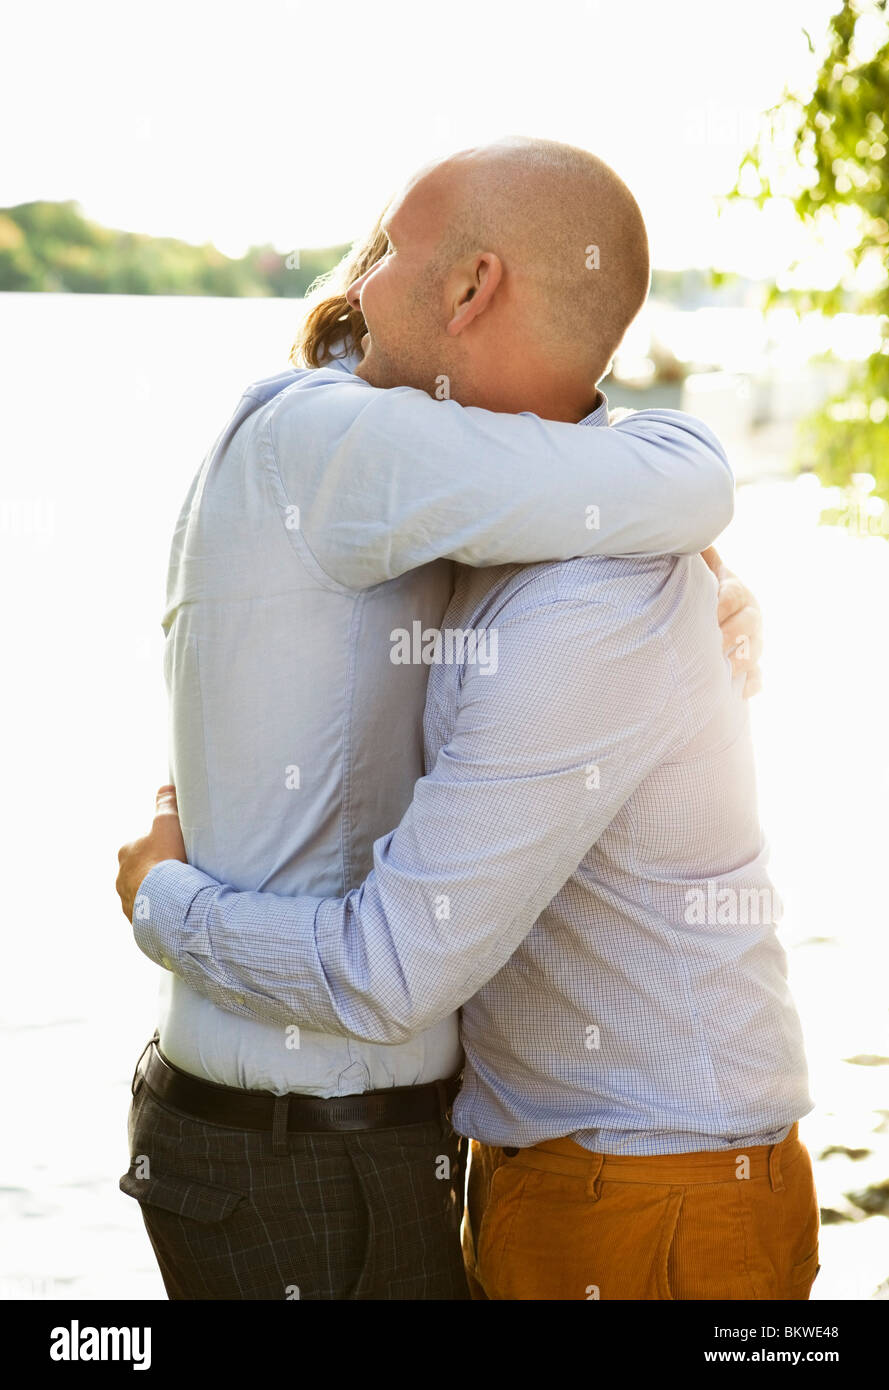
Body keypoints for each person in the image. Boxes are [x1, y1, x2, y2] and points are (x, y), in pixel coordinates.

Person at [116, 138, 777, 1302]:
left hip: (407, 1153)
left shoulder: (494, 524)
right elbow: (680, 479)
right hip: (311, 1141)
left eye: (386, 258)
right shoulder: (342, 442)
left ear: (471, 287)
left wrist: (166, 903)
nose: (358, 287)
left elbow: (665, 497)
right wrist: (161, 901)